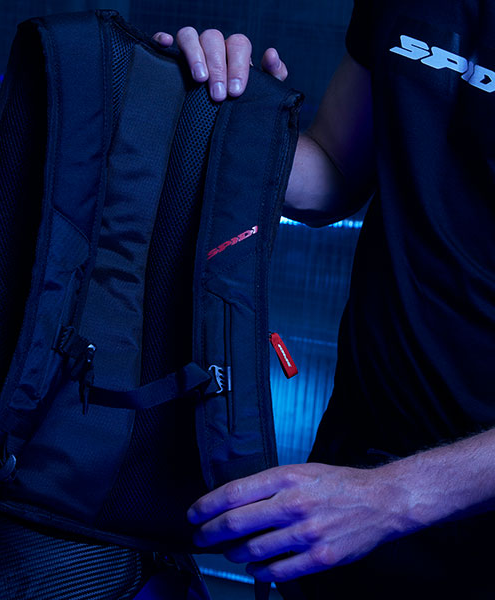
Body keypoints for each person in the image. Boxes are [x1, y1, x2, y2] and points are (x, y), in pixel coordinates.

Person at [154, 1, 495, 598]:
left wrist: (392, 497)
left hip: (448, 518)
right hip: (346, 482)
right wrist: (221, 110)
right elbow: (335, 168)